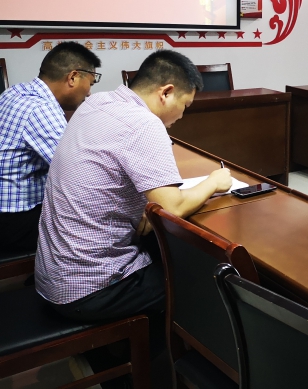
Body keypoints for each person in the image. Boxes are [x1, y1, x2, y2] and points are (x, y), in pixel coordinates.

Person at [35, 50, 233, 366]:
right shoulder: (143, 123)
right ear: (166, 92)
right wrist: (214, 181)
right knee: (203, 282)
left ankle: (129, 351)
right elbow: (172, 207)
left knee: (159, 246)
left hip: (53, 274)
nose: (182, 115)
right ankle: (151, 368)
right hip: (88, 288)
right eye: (184, 105)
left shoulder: (98, 103)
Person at [0, 42, 101, 252]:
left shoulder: (16, 92)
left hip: (8, 211)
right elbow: (80, 172)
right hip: (14, 222)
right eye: (90, 83)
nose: (89, 93)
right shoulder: (41, 109)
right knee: (107, 222)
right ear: (73, 77)